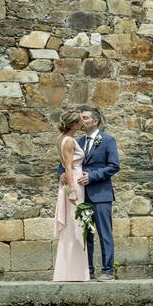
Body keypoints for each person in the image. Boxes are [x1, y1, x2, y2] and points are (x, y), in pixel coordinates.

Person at [77, 108, 120, 280]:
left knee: (104, 233)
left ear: (95, 121)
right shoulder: (78, 142)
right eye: (81, 118)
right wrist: (62, 174)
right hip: (82, 195)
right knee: (85, 234)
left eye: (85, 118)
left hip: (101, 195)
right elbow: (66, 161)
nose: (82, 121)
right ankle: (88, 269)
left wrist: (93, 176)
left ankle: (108, 270)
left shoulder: (108, 140)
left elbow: (114, 165)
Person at [52, 110, 90, 282]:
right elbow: (68, 166)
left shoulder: (62, 138)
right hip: (73, 182)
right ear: (75, 124)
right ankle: (73, 272)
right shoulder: (68, 141)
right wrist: (73, 191)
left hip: (70, 180)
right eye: (81, 120)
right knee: (75, 225)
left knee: (73, 224)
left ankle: (70, 271)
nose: (84, 122)